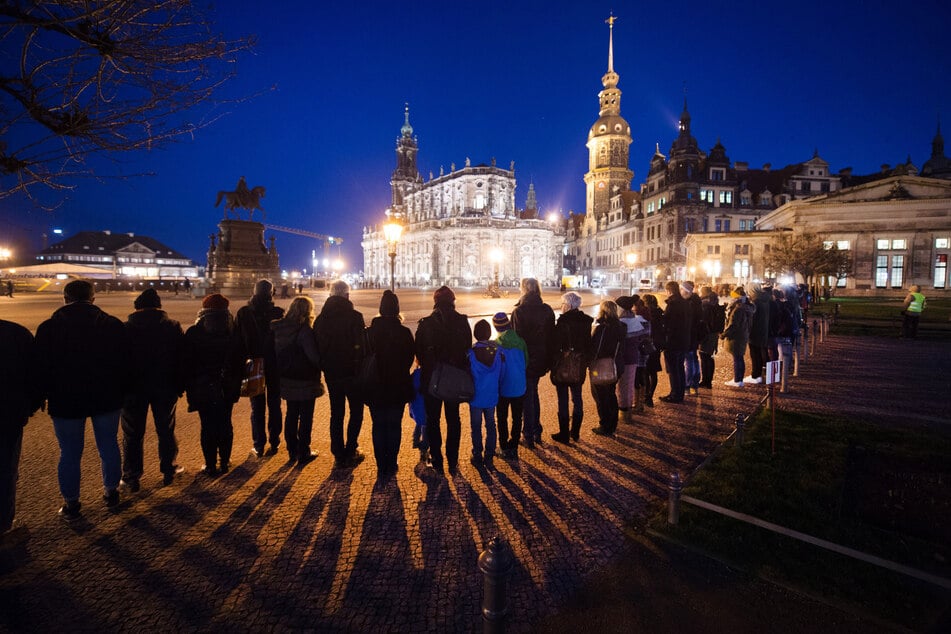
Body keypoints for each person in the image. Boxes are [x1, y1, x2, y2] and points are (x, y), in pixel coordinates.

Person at [35, 280, 129, 522]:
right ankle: (111, 492)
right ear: (93, 298)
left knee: (69, 452)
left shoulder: (49, 327)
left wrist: (42, 395)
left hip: (65, 398)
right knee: (108, 445)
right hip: (106, 396)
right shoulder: (112, 325)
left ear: (65, 298)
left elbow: (40, 367)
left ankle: (71, 502)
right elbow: (124, 362)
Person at [120, 288, 185, 491]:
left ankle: (131, 476)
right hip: (165, 386)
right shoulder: (172, 326)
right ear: (159, 307)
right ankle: (168, 468)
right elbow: (181, 359)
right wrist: (180, 385)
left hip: (132, 389)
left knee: (132, 434)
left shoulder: (125, 328)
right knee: (165, 429)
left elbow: (117, 361)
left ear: (137, 307)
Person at [183, 293, 245, 476]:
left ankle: (210, 464)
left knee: (207, 425)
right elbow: (241, 360)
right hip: (227, 386)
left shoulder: (194, 332)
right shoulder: (233, 331)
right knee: (225, 423)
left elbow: (186, 362)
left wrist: (190, 384)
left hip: (202, 387)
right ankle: (224, 462)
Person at [415, 285, 472, 476]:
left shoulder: (425, 323)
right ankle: (453, 459)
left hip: (432, 379)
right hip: (453, 379)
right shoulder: (462, 321)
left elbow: (419, 352)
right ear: (453, 301)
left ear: (435, 302)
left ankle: (437, 460)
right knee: (453, 419)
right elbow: (467, 348)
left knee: (433, 420)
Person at [314, 279, 368, 468]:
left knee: (336, 413)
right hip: (353, 373)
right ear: (346, 295)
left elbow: (317, 347)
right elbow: (362, 347)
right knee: (356, 411)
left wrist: (324, 365)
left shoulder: (321, 319)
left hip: (332, 373)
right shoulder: (355, 317)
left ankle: (338, 454)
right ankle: (351, 449)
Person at [365, 290, 415, 480]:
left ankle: (381, 465)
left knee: (378, 425)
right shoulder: (404, 332)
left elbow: (363, 357)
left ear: (380, 309)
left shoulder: (369, 332)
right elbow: (410, 357)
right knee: (394, 425)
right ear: (397, 309)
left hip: (375, 386)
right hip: (397, 385)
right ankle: (392, 462)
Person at [269, 296, 322, 467]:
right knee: (306, 416)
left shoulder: (277, 327)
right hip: (305, 379)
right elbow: (313, 356)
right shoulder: (304, 330)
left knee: (291, 413)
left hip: (286, 377)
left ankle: (292, 449)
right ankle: (304, 450)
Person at [235, 279, 285, 457]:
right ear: (271, 293)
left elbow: (238, 342)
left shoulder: (244, 313)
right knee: (274, 404)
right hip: (274, 363)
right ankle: (275, 441)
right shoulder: (278, 313)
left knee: (257, 406)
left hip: (254, 363)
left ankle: (259, 444)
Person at [0, 319, 41, 534]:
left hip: (10, 413)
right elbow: (35, 374)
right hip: (8, 414)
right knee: (5, 468)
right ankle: (3, 525)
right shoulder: (16, 333)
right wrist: (30, 406)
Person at [511, 277, 555, 448]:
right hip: (542, 358)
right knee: (532, 391)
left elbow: (516, 339)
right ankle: (536, 430)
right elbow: (552, 336)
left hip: (525, 359)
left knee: (527, 395)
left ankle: (528, 433)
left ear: (523, 289)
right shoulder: (547, 310)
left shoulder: (519, 311)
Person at [550, 292, 593, 443]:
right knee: (577, 398)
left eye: (562, 304)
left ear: (568, 305)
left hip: (563, 365)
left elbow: (555, 346)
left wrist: (553, 363)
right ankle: (575, 432)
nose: (561, 307)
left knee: (563, 399)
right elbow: (588, 345)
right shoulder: (586, 321)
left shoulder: (563, 323)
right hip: (579, 365)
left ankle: (563, 434)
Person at [467, 320, 503, 469]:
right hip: (491, 394)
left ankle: (477, 454)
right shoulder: (498, 351)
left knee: (475, 426)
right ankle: (489, 454)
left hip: (475, 396)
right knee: (491, 424)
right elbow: (502, 373)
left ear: (475, 334)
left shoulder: (470, 353)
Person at [492, 312, 528, 459]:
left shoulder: (497, 344)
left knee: (502, 417)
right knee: (517, 417)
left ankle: (503, 445)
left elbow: (496, 368)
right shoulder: (521, 341)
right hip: (519, 386)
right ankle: (514, 445)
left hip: (503, 387)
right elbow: (526, 362)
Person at [590, 300, 625, 436]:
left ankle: (604, 425)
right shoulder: (621, 327)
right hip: (616, 365)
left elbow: (596, 348)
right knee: (611, 394)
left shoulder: (602, 328)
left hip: (602, 366)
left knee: (600, 396)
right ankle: (612, 423)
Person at [660, 281, 690, 404]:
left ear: (669, 291)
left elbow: (668, 324)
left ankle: (675, 394)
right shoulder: (685, 303)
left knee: (673, 369)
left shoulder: (672, 304)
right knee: (680, 368)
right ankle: (680, 393)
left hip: (673, 341)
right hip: (684, 340)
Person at [721, 286, 755, 387]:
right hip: (743, 334)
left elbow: (733, 325)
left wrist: (724, 334)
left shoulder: (738, 309)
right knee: (739, 357)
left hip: (736, 336)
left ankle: (737, 380)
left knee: (737, 358)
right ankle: (739, 379)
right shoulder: (746, 307)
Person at [641, 294, 665, 408]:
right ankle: (649, 396)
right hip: (657, 345)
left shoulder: (647, 315)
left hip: (648, 345)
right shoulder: (660, 312)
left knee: (646, 372)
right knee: (653, 372)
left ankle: (646, 396)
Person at [745, 281, 771, 384]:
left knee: (755, 354)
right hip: (764, 329)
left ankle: (756, 375)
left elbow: (752, 317)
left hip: (755, 330)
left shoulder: (755, 301)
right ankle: (767, 374)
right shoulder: (766, 299)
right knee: (763, 352)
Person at [697, 285, 723, 389]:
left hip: (706, 334)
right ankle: (708, 381)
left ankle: (706, 381)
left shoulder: (705, 304)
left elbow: (703, 321)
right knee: (709, 357)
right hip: (713, 333)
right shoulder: (715, 303)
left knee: (704, 357)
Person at [681, 281, 702, 395]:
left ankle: (687, 385)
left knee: (689, 360)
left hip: (690, 335)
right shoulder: (697, 301)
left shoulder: (689, 303)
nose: (680, 291)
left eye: (682, 289)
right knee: (694, 359)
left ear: (686, 291)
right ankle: (695, 385)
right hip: (695, 335)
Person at [408, 365, 428, 463]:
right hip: (426, 404)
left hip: (416, 404)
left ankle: (415, 440)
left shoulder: (415, 374)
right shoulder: (430, 373)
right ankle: (424, 448)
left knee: (419, 422)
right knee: (425, 424)